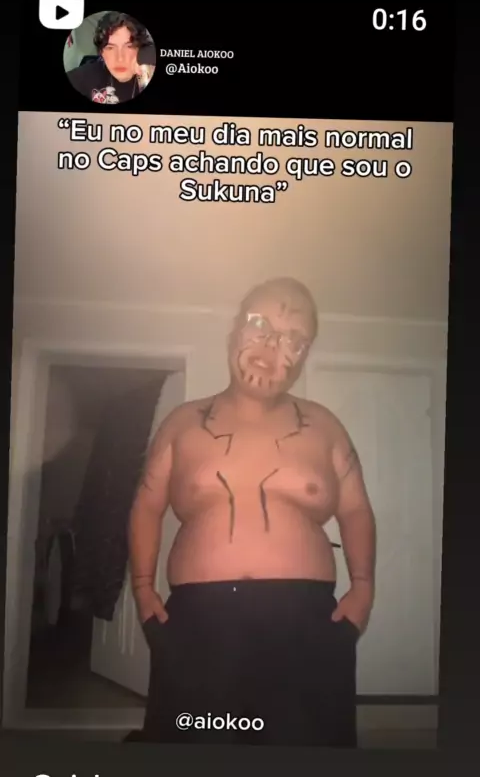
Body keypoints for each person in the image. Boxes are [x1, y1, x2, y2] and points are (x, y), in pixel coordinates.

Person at [128, 277, 376, 747]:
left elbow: (357, 510)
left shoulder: (325, 426)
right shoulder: (182, 423)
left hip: (307, 622)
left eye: (294, 339)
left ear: (303, 354)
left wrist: (363, 588)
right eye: (260, 325)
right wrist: (142, 588)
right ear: (234, 332)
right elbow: (146, 504)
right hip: (199, 622)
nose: (272, 345)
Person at [66, 12, 155, 104]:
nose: (120, 58)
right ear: (101, 52)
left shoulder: (149, 69)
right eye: (110, 48)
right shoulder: (84, 77)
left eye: (129, 46)